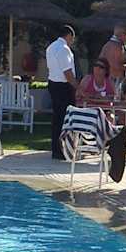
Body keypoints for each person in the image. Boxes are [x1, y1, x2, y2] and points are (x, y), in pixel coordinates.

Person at [44, 25, 78, 158]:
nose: (72, 41)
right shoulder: (64, 49)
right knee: (66, 118)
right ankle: (63, 149)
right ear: (69, 35)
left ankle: (56, 149)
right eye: (72, 38)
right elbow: (67, 72)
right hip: (63, 86)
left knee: (57, 118)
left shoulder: (51, 47)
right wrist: (77, 87)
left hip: (53, 84)